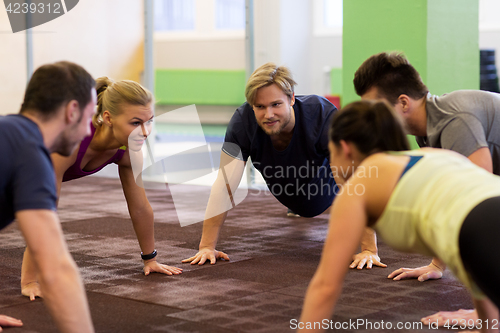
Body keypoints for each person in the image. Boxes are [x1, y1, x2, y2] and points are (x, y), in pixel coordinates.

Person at [298, 100, 500, 333]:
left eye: (330, 153)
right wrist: (487, 323)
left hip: (483, 231)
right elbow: (471, 226)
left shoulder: (359, 185)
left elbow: (325, 287)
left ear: (344, 148)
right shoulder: (432, 156)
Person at [183, 63, 385, 270]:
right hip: (286, 187)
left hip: (327, 182)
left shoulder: (322, 116)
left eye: (276, 104)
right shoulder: (243, 123)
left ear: (291, 99)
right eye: (259, 107)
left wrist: (369, 249)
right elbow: (225, 186)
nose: (268, 114)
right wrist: (207, 246)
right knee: (300, 200)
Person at [354, 51, 500, 324]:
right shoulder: (427, 131)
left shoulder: (454, 119)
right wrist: (436, 265)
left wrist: (484, 316)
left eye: (376, 108)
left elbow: (481, 211)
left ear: (403, 102)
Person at [20, 77, 183, 301]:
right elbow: (44, 214)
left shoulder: (129, 150)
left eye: (150, 121)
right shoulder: (69, 141)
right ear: (108, 118)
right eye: (136, 123)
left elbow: (140, 208)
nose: (145, 132)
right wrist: (30, 281)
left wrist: (150, 259)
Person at [0, 61, 96, 332]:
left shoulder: (9, 133)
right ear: (72, 111)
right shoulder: (30, 152)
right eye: (89, 118)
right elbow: (55, 269)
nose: (89, 130)